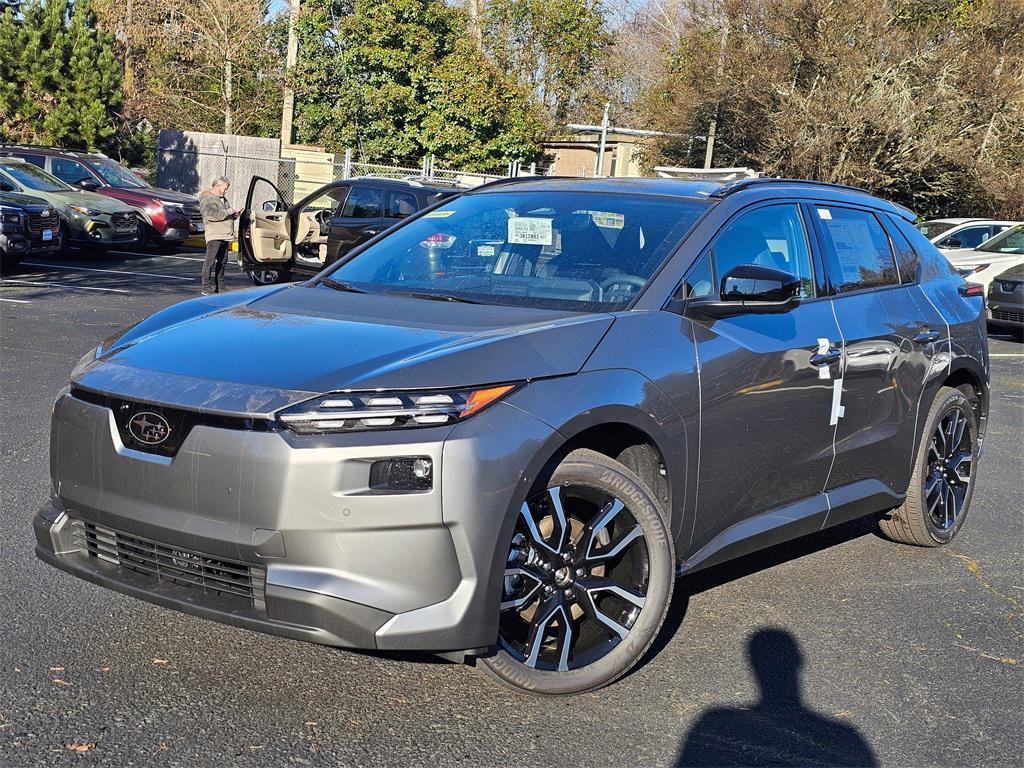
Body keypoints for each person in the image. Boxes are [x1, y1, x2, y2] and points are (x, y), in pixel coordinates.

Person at [199, 176, 240, 294]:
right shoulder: (207, 198)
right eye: (225, 188)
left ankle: (220, 286)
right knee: (209, 262)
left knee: (223, 262)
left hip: (225, 235)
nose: (226, 191)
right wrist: (229, 212)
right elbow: (211, 215)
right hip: (214, 235)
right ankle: (206, 288)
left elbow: (225, 214)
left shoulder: (223, 199)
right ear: (218, 186)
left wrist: (234, 215)